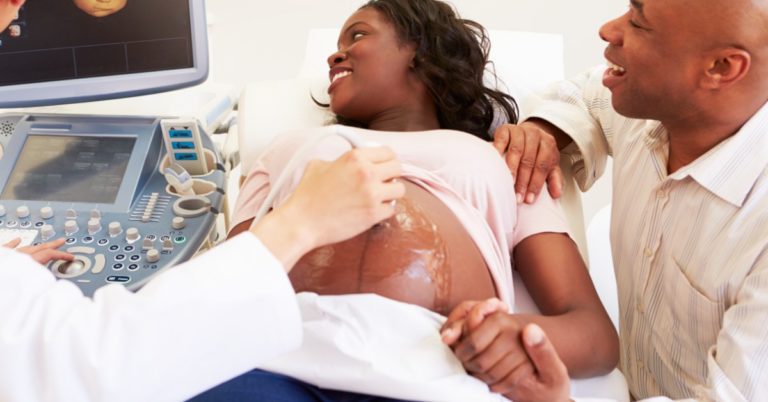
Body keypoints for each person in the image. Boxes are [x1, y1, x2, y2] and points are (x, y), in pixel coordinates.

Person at [206, 0, 618, 400]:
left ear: (421, 50)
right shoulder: (288, 149)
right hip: (280, 360)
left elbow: (595, 337)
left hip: (439, 367)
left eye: (358, 35)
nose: (335, 56)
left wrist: (514, 336)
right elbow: (223, 289)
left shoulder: (502, 160)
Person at [0, 3, 405, 402]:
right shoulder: (298, 149)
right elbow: (93, 369)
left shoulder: (465, 151)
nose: (19, 4)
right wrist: (298, 224)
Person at [485, 0, 768, 400]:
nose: (608, 29)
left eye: (638, 23)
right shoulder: (650, 108)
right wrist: (540, 133)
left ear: (721, 68)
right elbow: (582, 95)